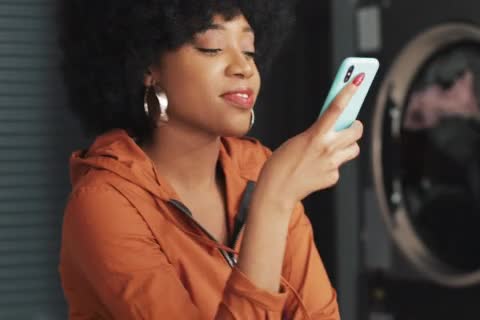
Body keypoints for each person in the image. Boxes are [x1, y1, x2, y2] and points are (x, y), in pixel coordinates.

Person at [57, 0, 364, 319]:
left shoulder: (260, 169)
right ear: (148, 66)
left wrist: (274, 194)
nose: (243, 67)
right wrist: (272, 203)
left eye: (248, 50)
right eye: (212, 47)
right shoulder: (104, 204)